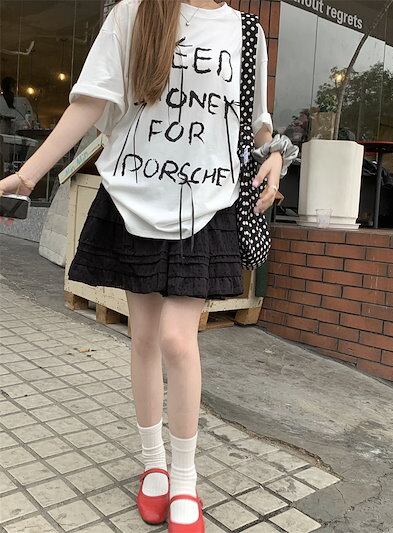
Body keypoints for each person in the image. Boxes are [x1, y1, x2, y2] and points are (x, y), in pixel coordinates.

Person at [0, 1, 286, 531]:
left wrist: (275, 156)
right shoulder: (134, 14)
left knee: (178, 339)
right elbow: (91, 100)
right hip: (135, 196)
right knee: (145, 338)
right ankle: (153, 462)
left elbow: (253, 124)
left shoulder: (248, 31)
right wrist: (28, 175)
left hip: (206, 205)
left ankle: (185, 478)